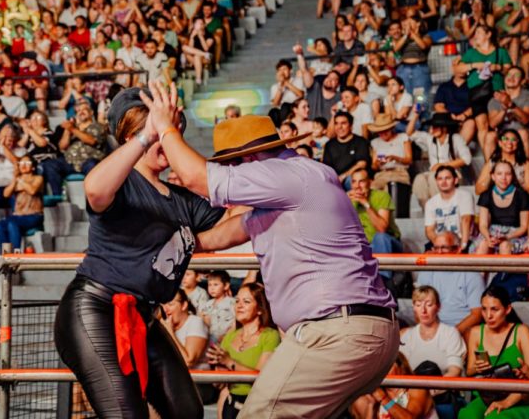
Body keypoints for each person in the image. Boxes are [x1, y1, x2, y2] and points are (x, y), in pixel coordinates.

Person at [142, 83, 398, 419]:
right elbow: (219, 237)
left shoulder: (284, 175)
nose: (232, 177)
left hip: (335, 333)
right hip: (362, 331)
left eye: (232, 167)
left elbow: (194, 177)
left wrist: (164, 127)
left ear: (248, 161)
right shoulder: (295, 186)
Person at [54, 87, 225, 418]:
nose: (168, 139)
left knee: (187, 412)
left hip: (144, 315)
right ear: (135, 137)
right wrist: (150, 133)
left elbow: (227, 229)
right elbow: (94, 189)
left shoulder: (182, 199)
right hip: (95, 309)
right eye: (161, 132)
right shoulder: (123, 182)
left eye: (172, 131)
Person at [460, 286, 529, 419]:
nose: (488, 315)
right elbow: (469, 371)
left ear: (508, 309)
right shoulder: (476, 332)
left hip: (522, 396)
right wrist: (477, 368)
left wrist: (507, 401)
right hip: (489, 395)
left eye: (494, 309)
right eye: (484, 309)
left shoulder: (521, 331)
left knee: (496, 417)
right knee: (467, 415)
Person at [207, 283, 280, 419]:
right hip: (230, 403)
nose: (239, 306)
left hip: (257, 406)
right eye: (237, 301)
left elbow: (262, 377)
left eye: (246, 301)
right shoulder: (230, 336)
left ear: (259, 309)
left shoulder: (270, 336)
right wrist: (219, 371)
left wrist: (230, 362)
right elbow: (220, 382)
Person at [415, 232, 484, 337]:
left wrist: (452, 335)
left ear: (458, 250)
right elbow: (417, 309)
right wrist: (429, 331)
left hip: (462, 330)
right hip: (432, 329)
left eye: (444, 248)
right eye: (436, 248)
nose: (439, 252)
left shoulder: (471, 274)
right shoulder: (426, 272)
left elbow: (477, 314)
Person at [348, 169, 402, 284]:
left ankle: (382, 281)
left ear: (370, 182)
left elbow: (382, 228)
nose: (357, 186)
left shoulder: (381, 196)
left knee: (380, 237)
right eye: (354, 182)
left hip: (389, 244)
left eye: (361, 181)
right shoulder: (347, 200)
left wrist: (365, 203)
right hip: (364, 247)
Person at [409, 113, 473, 209]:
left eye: (436, 127)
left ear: (445, 128)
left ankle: (443, 208)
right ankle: (428, 209)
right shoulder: (430, 139)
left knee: (433, 177)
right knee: (419, 179)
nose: (432, 130)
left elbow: (467, 159)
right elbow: (409, 133)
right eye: (432, 127)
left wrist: (443, 166)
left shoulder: (455, 138)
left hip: (452, 173)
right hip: (433, 172)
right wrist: (415, 115)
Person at [400, 286, 466, 378]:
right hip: (413, 389)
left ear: (438, 306)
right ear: (414, 307)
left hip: (444, 389)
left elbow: (455, 371)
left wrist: (433, 390)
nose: (423, 310)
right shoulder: (408, 336)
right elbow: (402, 371)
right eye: (418, 305)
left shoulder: (450, 333)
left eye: (429, 305)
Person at [350, 352, 439, 419]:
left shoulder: (417, 389)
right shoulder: (375, 395)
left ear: (402, 367)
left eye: (387, 366)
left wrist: (383, 399)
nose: (383, 371)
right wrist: (371, 406)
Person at [470, 161, 529, 255]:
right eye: (499, 174)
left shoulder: (522, 195)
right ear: (493, 176)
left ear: (512, 176)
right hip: (492, 233)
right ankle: (483, 270)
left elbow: (524, 227)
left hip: (514, 234)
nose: (503, 178)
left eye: (508, 174)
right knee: (483, 245)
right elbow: (483, 225)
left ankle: (505, 270)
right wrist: (488, 237)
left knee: (504, 246)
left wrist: (506, 237)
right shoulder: (486, 195)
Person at [0, 154, 44, 252]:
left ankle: (16, 253)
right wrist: (15, 179)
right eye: (21, 163)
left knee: (12, 224)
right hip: (18, 215)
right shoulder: (16, 180)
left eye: (27, 163)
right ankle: (4, 253)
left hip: (33, 215)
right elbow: (6, 194)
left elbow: (32, 190)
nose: (23, 165)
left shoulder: (38, 178)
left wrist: (20, 180)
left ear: (33, 167)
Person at [424, 166, 475, 252]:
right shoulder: (430, 203)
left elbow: (466, 220)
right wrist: (439, 245)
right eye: (440, 179)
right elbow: (429, 230)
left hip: (460, 240)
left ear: (455, 180)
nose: (443, 182)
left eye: (447, 178)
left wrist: (463, 245)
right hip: (439, 242)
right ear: (436, 181)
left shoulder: (465, 196)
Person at [475, 130, 529, 195]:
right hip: (497, 198)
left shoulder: (526, 163)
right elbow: (478, 190)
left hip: (518, 199)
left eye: (513, 139)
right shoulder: (492, 162)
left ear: (518, 143)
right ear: (500, 143)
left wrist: (511, 193)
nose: (509, 142)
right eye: (505, 139)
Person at [161, 289, 209, 369]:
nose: (165, 309)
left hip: (196, 379)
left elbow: (188, 362)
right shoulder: (165, 325)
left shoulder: (195, 322)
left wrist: (170, 332)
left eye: (170, 304)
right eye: (163, 305)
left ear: (184, 305)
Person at [322, 111, 371, 190]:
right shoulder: (329, 144)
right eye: (336, 123)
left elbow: (362, 164)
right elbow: (327, 167)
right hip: (335, 179)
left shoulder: (360, 142)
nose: (339, 127)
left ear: (351, 125)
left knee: (350, 180)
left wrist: (343, 176)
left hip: (352, 178)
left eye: (343, 123)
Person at [369, 113, 412, 189]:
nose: (383, 134)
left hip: (400, 173)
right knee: (373, 188)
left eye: (385, 130)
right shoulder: (375, 142)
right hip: (383, 174)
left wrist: (395, 158)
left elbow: (409, 160)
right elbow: (374, 166)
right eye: (380, 131)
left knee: (390, 189)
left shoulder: (403, 137)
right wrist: (378, 163)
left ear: (391, 128)